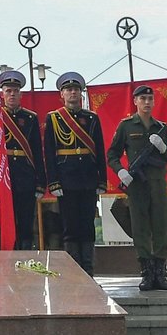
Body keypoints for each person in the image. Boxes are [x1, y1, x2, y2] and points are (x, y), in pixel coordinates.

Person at [108, 82, 167, 291]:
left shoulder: (161, 127)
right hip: (137, 185)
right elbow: (112, 154)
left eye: (150, 99)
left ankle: (159, 272)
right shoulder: (127, 126)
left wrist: (162, 146)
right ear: (135, 101)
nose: (147, 102)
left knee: (160, 226)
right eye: (143, 99)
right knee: (140, 227)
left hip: (157, 184)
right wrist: (121, 171)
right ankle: (146, 272)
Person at [43, 71, 105, 274]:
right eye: (68, 90)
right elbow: (50, 153)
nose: (72, 93)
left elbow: (100, 151)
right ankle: (74, 269)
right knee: (69, 227)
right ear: (61, 94)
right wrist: (54, 182)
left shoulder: (92, 118)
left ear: (81, 94)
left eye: (76, 90)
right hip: (66, 179)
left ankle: (88, 268)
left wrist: (101, 181)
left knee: (87, 226)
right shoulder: (53, 119)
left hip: (87, 179)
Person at [0, 69, 47, 250]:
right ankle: (5, 263)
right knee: (6, 223)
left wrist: (40, 183)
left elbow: (37, 153)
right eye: (8, 91)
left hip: (26, 176)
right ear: (2, 94)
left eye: (15, 91)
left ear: (21, 94)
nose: (12, 94)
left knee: (25, 224)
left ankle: (25, 261)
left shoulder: (30, 118)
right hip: (5, 177)